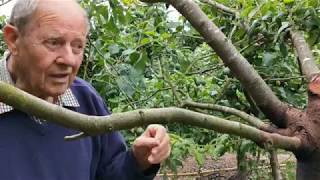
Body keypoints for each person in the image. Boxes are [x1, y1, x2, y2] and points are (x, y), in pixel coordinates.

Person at [0, 0, 171, 179]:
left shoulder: (84, 98)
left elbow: (107, 173)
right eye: (53, 42)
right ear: (13, 39)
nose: (69, 60)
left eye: (78, 46)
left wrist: (138, 162)